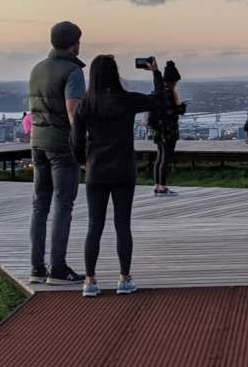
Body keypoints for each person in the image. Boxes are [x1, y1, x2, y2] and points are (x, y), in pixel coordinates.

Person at [72, 55, 170, 297]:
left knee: (94, 226)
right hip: (123, 168)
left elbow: (75, 141)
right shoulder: (126, 100)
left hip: (96, 170)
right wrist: (155, 73)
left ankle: (90, 281)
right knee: (122, 225)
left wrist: (84, 162)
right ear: (114, 73)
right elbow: (159, 100)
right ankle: (124, 278)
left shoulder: (85, 104)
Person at [27, 21, 85, 285]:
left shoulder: (37, 68)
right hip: (61, 145)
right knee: (63, 203)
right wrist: (82, 145)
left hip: (37, 142)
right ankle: (58, 268)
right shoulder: (72, 70)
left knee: (40, 205)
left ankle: (37, 268)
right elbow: (73, 111)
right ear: (75, 44)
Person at [149, 60, 186, 195]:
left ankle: (157, 185)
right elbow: (169, 112)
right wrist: (180, 108)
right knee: (166, 158)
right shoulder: (168, 93)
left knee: (159, 157)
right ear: (171, 81)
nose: (176, 84)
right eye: (175, 81)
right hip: (168, 131)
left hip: (159, 130)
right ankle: (163, 186)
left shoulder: (158, 91)